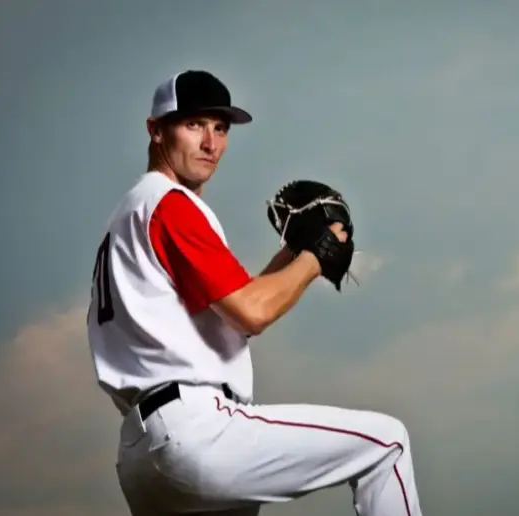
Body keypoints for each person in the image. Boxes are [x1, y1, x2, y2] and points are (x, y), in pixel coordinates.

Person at [86, 69, 424, 516]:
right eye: (193, 125)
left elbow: (236, 309)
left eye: (220, 128)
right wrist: (316, 255)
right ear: (155, 129)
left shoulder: (131, 215)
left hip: (142, 452)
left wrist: (293, 253)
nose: (211, 143)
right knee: (387, 444)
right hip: (196, 431)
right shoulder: (169, 204)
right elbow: (253, 312)